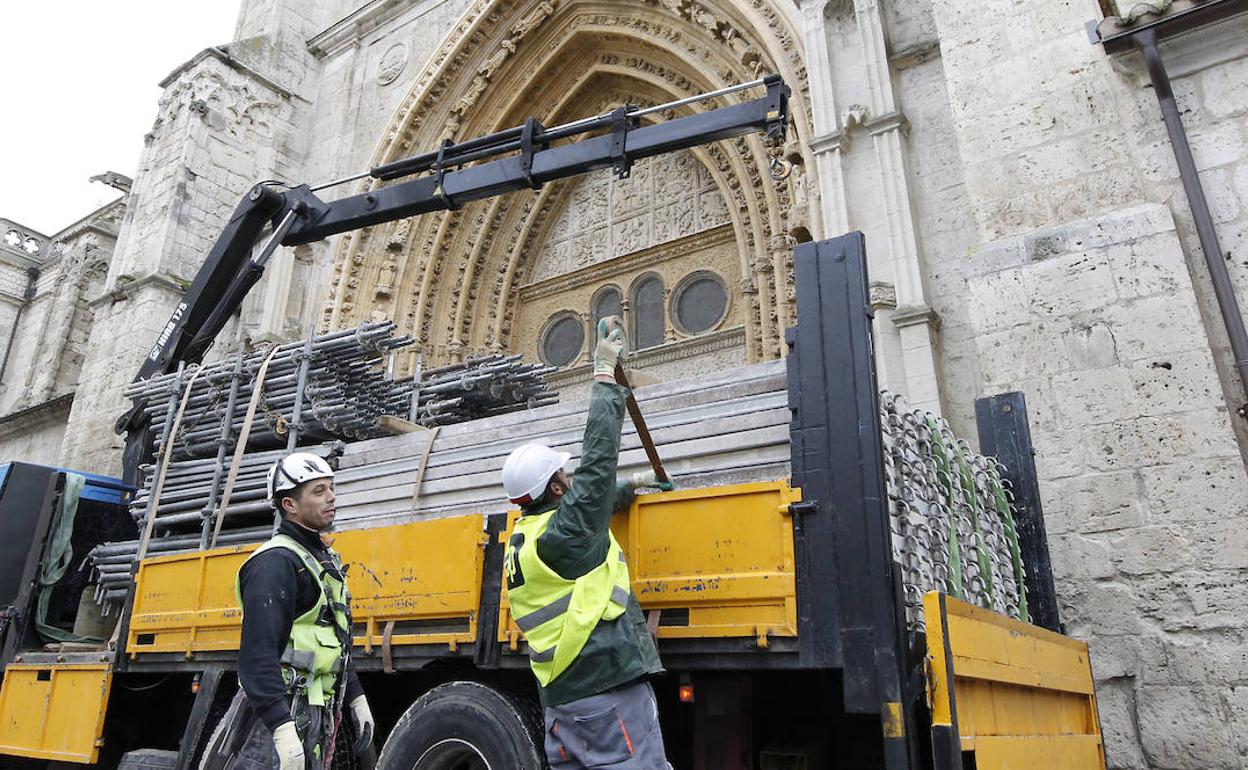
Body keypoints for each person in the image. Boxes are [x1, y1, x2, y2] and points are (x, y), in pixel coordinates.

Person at [501, 316, 674, 769]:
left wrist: (633, 486)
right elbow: (597, 469)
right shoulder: (564, 538)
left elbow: (592, 503)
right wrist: (602, 374)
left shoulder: (529, 534)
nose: (570, 476)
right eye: (564, 474)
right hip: (604, 690)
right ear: (557, 490)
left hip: (563, 700)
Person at [204, 452, 374, 770]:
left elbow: (334, 637)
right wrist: (282, 729)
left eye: (331, 487)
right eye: (318, 491)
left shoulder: (323, 559)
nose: (331, 497)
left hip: (314, 711)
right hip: (273, 718)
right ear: (290, 505)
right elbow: (257, 659)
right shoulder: (276, 563)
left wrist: (355, 696)